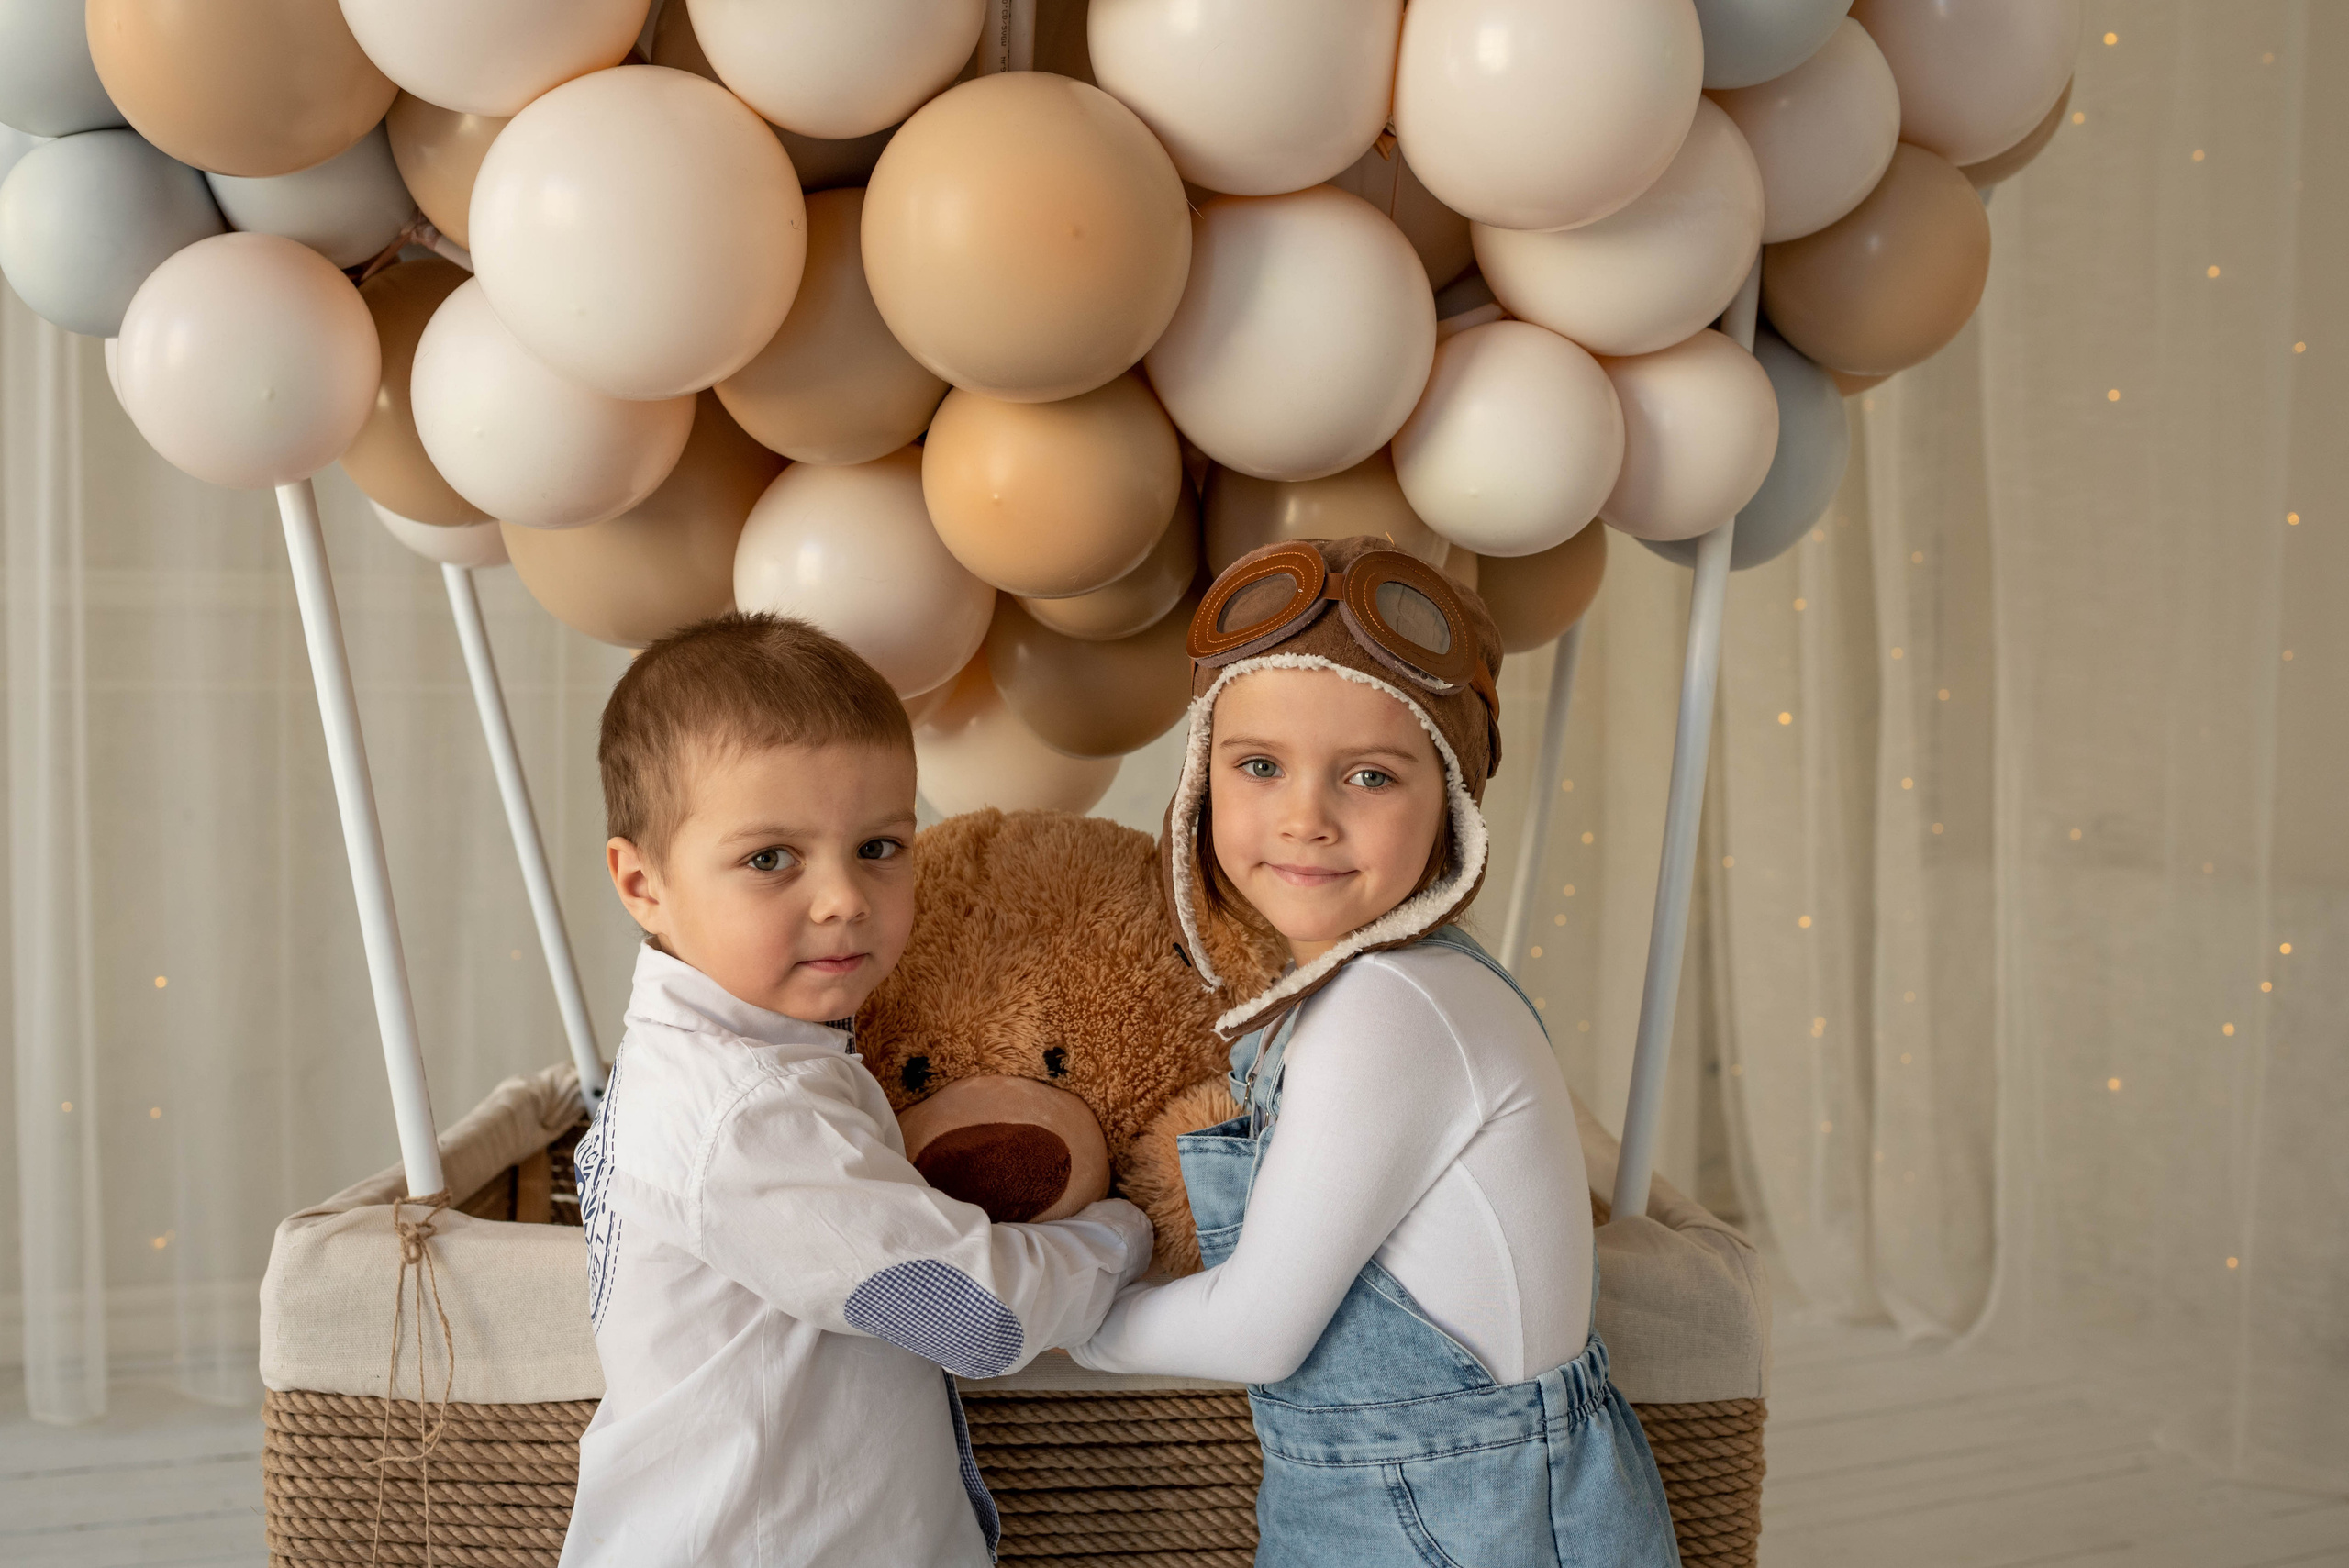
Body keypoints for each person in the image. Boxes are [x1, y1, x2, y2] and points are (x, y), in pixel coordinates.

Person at [1073, 538, 1680, 1567]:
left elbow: (1258, 1329)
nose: (1306, 817)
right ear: (1202, 779)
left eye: (1370, 774)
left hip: (1463, 1511)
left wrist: (1059, 1310)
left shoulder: (1389, 1011)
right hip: (1398, 1490)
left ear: (1448, 801)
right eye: (1258, 765)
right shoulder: (1356, 993)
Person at [560, 614, 1153, 1568]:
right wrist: (1126, 1233)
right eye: (770, 858)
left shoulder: (756, 1057)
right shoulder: (747, 1112)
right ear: (643, 883)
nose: (843, 896)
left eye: (880, 844)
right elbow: (976, 1315)